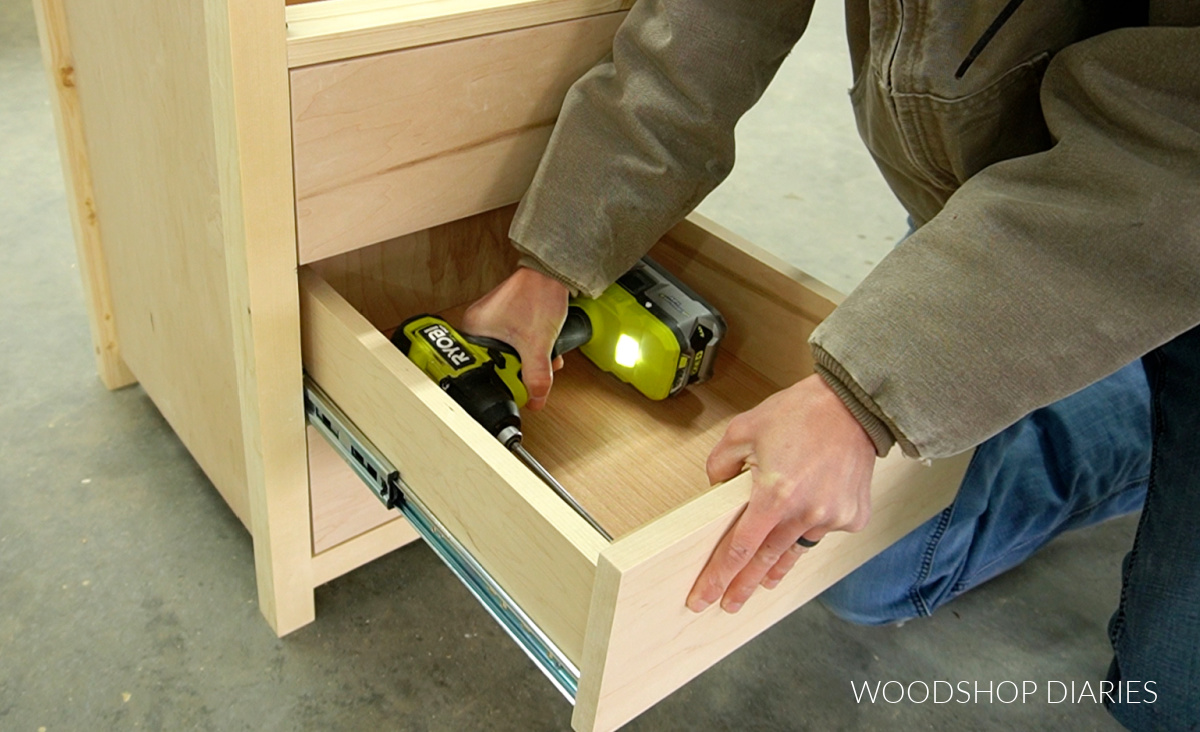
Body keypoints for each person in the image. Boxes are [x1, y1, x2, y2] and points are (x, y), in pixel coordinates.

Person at [460, 1, 1200, 727]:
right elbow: (711, 26)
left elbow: (1176, 148)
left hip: (1165, 194)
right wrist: (560, 253)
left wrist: (864, 398)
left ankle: (1144, 418)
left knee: (1168, 692)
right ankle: (1103, 388)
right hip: (1006, 208)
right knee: (875, 569)